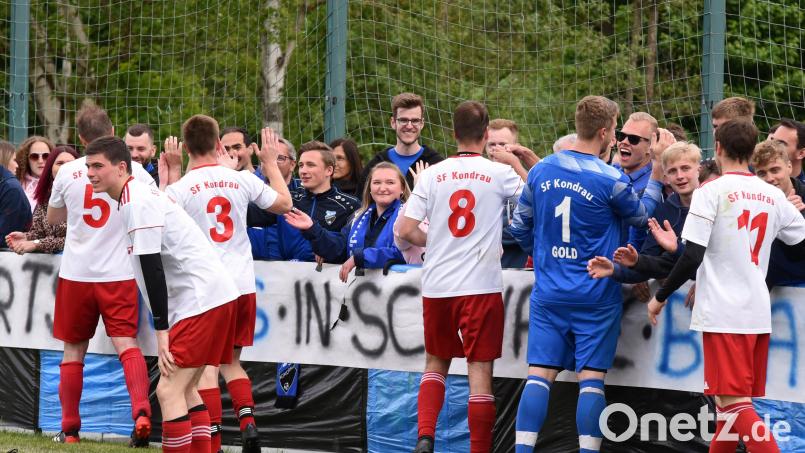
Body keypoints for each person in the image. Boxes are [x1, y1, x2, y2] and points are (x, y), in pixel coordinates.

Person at [508, 95, 664, 453]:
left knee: (539, 375)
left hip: (550, 293)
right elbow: (642, 218)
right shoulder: (611, 179)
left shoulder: (542, 170)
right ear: (605, 132)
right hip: (595, 293)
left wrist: (544, 256)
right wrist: (655, 177)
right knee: (591, 381)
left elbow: (518, 226)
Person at [648, 120, 805, 453]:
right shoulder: (772, 195)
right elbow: (799, 240)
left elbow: (692, 255)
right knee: (727, 411)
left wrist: (660, 296)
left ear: (717, 147)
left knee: (736, 408)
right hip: (756, 314)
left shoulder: (711, 191)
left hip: (724, 314)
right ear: (752, 151)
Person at [85, 135, 241, 453]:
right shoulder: (136, 193)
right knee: (188, 390)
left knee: (168, 391)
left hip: (201, 300)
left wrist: (162, 331)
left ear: (121, 168)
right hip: (213, 296)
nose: (90, 173)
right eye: (88, 166)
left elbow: (152, 268)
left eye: (98, 166)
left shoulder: (136, 201)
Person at [398, 100, 523, 453]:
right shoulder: (498, 173)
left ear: (453, 133)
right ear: (485, 135)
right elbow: (539, 194)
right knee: (479, 371)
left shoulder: (432, 174)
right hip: (480, 286)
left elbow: (405, 229)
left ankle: (425, 436)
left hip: (438, 285)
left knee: (435, 362)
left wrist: (435, 240)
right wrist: (518, 162)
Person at [161, 115, 291, 453]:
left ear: (185, 148)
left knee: (205, 370)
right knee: (230, 362)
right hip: (242, 285)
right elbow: (285, 204)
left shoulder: (180, 189)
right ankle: (247, 423)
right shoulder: (241, 179)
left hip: (205, 291)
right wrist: (269, 164)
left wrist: (171, 174)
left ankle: (214, 441)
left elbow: (160, 225)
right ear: (219, 144)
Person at [46, 104, 154, 446]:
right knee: (127, 345)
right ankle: (141, 411)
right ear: (113, 132)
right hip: (119, 273)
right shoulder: (135, 171)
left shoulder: (68, 171)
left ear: (80, 139)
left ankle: (70, 430)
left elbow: (53, 220)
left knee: (73, 351)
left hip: (77, 273)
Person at [587, 142, 701, 283]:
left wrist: (677, 250)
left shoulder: (715, 204)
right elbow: (656, 265)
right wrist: (618, 268)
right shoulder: (665, 211)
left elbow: (714, 266)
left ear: (699, 170)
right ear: (665, 176)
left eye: (685, 168)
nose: (679, 176)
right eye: (672, 171)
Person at [285, 162, 407, 281]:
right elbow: (339, 247)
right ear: (370, 188)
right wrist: (311, 228)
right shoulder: (358, 216)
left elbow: (403, 253)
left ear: (402, 188)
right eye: (376, 182)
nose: (382, 188)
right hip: (361, 290)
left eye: (390, 182)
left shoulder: (408, 217)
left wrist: (360, 258)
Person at [247, 141, 359, 261]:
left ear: (329, 170)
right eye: (301, 165)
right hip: (287, 270)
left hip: (328, 272)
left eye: (310, 165)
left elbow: (345, 248)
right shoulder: (289, 200)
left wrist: (315, 233)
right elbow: (249, 214)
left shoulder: (349, 205)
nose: (303, 171)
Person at [360, 92, 443, 191]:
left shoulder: (436, 164)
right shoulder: (376, 164)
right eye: (403, 120)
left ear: (422, 123)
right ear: (393, 122)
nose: (409, 126)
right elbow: (362, 200)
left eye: (415, 121)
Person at [5, 146, 79, 255]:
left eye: (70, 164)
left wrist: (37, 244)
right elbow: (38, 231)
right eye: (60, 163)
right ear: (50, 168)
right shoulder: (46, 195)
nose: (65, 168)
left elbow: (76, 239)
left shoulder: (83, 196)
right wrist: (26, 237)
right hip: (49, 262)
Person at [751, 140, 805, 288]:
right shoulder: (751, 204)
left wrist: (796, 218)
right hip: (767, 288)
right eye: (762, 173)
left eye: (775, 170)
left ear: (789, 167)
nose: (769, 178)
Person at [484, 118, 533, 268]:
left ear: (515, 146)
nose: (496, 149)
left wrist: (514, 163)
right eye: (492, 144)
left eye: (503, 145)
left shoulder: (526, 177)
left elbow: (538, 210)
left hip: (522, 270)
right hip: (487, 268)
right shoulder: (479, 178)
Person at [247, 137, 301, 260]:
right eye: (266, 157)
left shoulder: (304, 194)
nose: (272, 162)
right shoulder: (249, 190)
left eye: (279, 158)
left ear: (292, 165)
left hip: (295, 268)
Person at [0, 140, 31, 248]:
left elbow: (6, 236)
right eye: (14, 160)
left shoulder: (11, 189)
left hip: (10, 254)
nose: (17, 165)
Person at [15, 136, 54, 212]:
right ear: (26, 159)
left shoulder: (58, 184)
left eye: (46, 156)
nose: (40, 161)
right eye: (34, 156)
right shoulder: (15, 183)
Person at [769, 118, 805, 184]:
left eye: (781, 143)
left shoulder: (802, 189)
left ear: (801, 153)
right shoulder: (753, 177)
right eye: (772, 140)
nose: (770, 146)